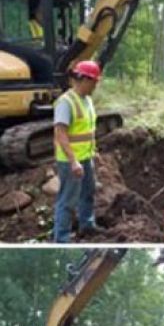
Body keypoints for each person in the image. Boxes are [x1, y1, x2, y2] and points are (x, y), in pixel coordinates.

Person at [52, 60, 103, 243]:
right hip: (70, 160)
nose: (96, 86)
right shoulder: (66, 102)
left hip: (85, 156)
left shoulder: (87, 100)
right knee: (68, 200)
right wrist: (73, 161)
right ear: (84, 79)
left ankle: (87, 225)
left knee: (88, 191)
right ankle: (62, 238)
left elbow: (87, 130)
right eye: (94, 82)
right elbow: (61, 133)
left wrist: (93, 150)